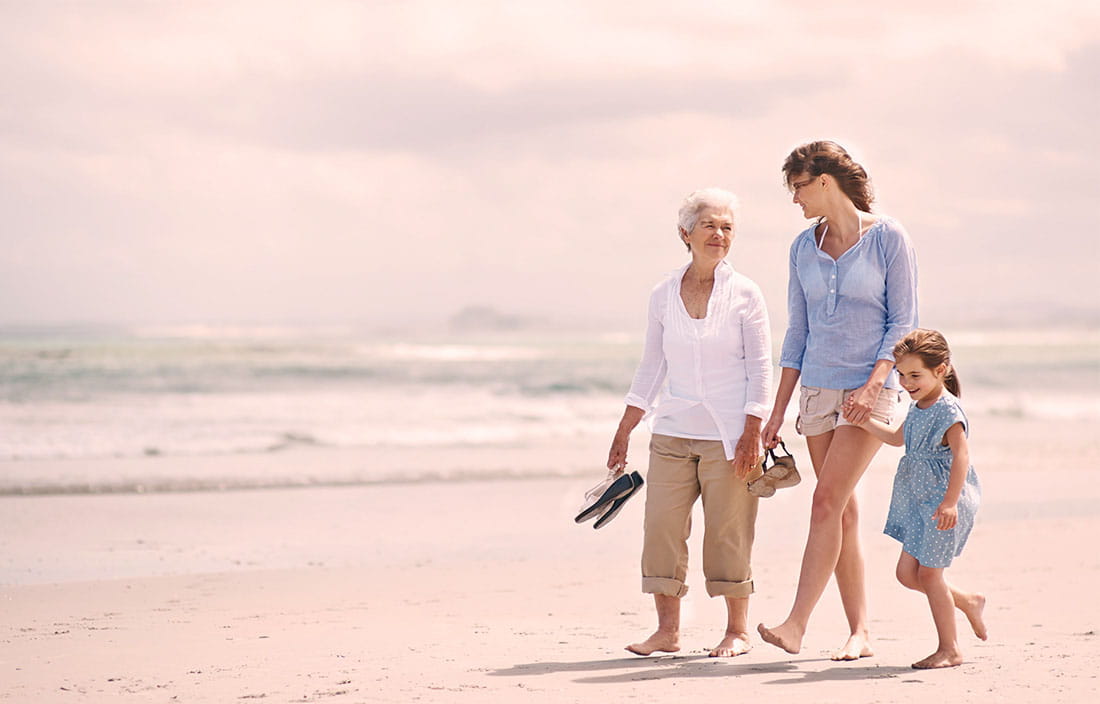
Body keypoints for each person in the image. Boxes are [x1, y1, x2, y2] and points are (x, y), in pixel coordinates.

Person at [758, 141, 919, 660]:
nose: (796, 201)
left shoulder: (888, 238)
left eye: (798, 188)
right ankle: (861, 632)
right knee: (843, 512)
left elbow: (902, 322)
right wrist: (777, 408)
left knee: (824, 501)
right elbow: (798, 332)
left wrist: (874, 384)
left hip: (868, 392)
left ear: (823, 181)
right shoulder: (802, 247)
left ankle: (796, 624)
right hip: (817, 392)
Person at [607, 187, 771, 658]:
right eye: (710, 225)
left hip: (729, 437)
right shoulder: (663, 293)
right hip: (672, 431)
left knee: (728, 531)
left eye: (727, 227)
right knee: (661, 528)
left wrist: (752, 432)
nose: (719, 234)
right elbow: (652, 366)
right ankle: (667, 632)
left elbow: (761, 367)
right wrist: (625, 427)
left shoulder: (746, 294)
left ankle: (736, 630)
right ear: (686, 233)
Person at [855, 328, 986, 669]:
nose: (906, 382)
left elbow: (962, 456)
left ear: (940, 370)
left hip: (943, 503)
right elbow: (899, 438)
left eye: (915, 375)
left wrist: (950, 502)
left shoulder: (947, 409)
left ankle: (950, 648)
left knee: (929, 576)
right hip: (919, 502)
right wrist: (862, 420)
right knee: (906, 574)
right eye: (901, 375)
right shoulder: (918, 405)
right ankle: (968, 601)